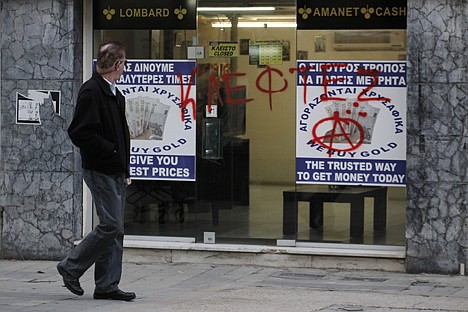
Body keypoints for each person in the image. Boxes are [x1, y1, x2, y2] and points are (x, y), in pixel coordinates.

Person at [57, 41, 135, 301]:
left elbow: (122, 135)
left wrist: (124, 168)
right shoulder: (92, 91)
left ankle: (107, 286)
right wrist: (111, 152)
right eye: (123, 64)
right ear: (117, 65)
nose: (124, 68)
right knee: (111, 225)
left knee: (116, 229)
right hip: (100, 169)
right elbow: (79, 133)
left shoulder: (114, 93)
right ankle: (71, 267)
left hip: (115, 170)